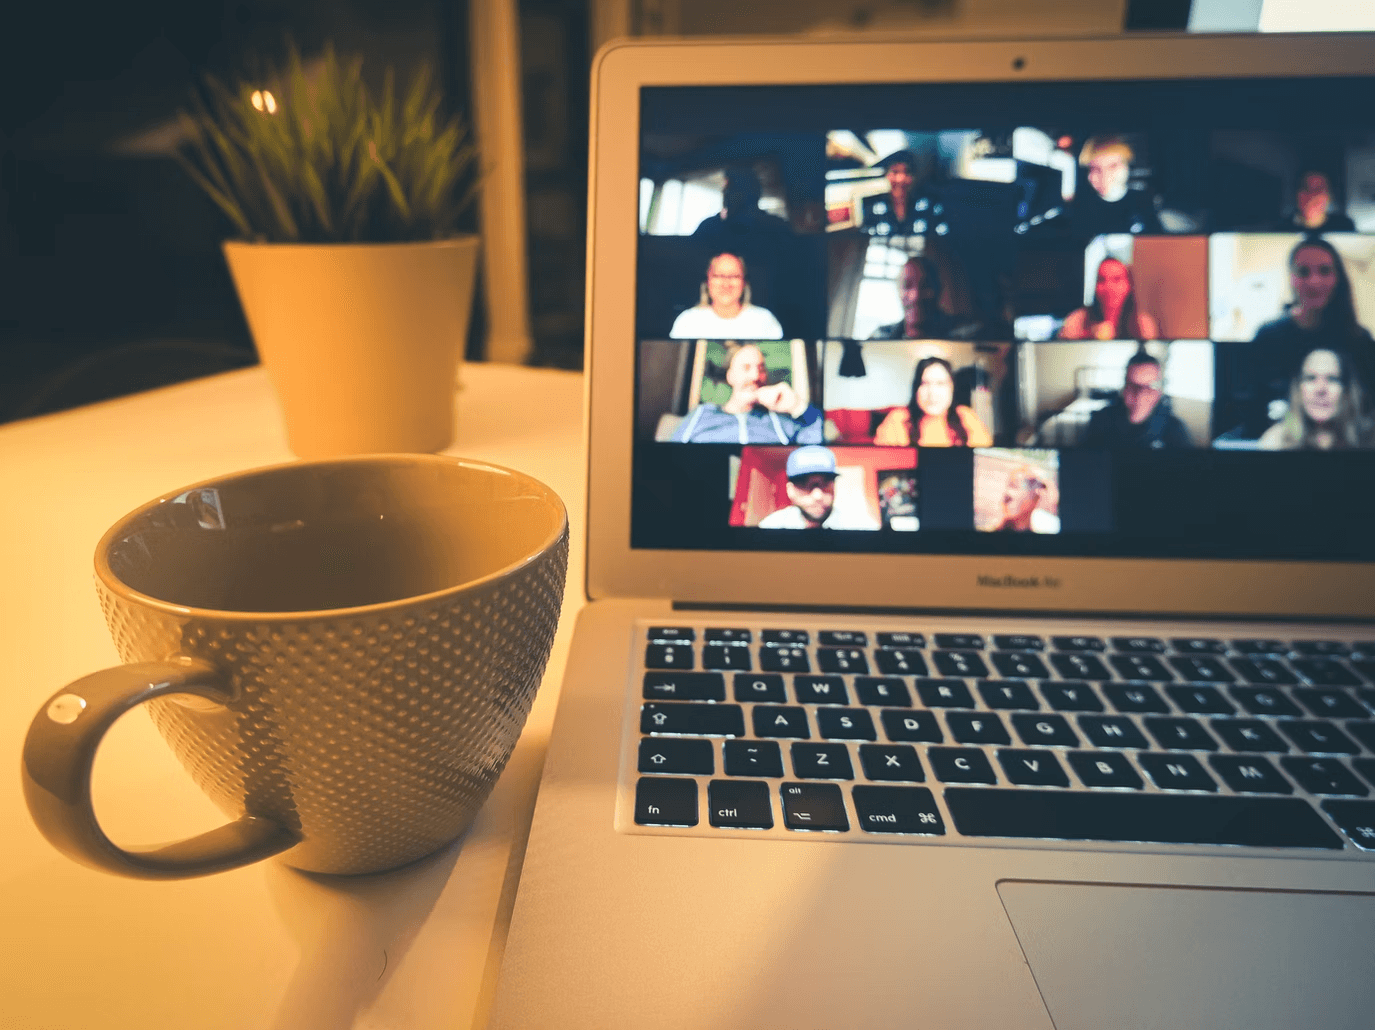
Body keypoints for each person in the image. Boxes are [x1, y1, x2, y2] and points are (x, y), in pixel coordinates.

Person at [1249, 236, 1375, 433]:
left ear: (1337, 277)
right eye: (1303, 271)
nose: (1314, 281)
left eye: (1324, 271)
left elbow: (1368, 410)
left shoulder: (1359, 339)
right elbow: (1257, 410)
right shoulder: (1268, 337)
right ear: (1291, 278)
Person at [671, 342, 822, 444]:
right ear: (730, 376)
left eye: (761, 369)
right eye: (746, 368)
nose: (755, 376)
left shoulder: (779, 422)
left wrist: (797, 406)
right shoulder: (701, 414)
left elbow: (817, 443)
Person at [1259, 348, 1373, 450]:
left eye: (1332, 379)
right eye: (1310, 378)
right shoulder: (1276, 441)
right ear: (1298, 390)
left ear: (1347, 392)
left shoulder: (1369, 441)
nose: (1320, 389)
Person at [873, 356, 993, 447]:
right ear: (916, 389)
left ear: (952, 388)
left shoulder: (966, 416)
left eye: (940, 384)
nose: (932, 392)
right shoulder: (898, 419)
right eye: (925, 383)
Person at [1082, 351, 1193, 448]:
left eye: (1150, 386)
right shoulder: (1100, 421)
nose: (1140, 395)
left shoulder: (1175, 428)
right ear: (1124, 389)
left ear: (1160, 392)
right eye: (1133, 385)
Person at [669, 252, 783, 339]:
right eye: (718, 275)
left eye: (734, 276)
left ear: (744, 283)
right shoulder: (687, 322)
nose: (726, 283)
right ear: (708, 282)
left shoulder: (765, 320)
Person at [757, 446, 876, 529]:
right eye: (804, 484)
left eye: (826, 483)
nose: (818, 496)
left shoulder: (860, 525)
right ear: (790, 490)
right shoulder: (771, 525)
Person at [1071, 136, 1161, 238]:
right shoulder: (1081, 208)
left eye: (1113, 166)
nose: (1104, 176)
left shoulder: (1144, 200)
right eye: (1095, 168)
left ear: (1126, 167)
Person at [1058, 257, 1160, 341]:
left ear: (1129, 285)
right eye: (1102, 280)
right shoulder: (1077, 319)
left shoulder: (1143, 324)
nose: (1109, 287)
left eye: (1117, 279)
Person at [868, 255, 956, 340]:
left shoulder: (964, 334)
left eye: (925, 285)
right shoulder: (880, 336)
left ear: (938, 289)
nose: (915, 296)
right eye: (907, 286)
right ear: (898, 291)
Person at [860, 150, 935, 237]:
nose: (899, 179)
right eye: (893, 172)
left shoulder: (927, 205)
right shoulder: (871, 206)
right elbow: (864, 239)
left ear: (912, 177)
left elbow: (937, 242)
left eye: (905, 172)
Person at [1271, 170, 1356, 233]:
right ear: (1297, 194)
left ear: (1329, 196)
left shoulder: (1344, 226)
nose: (1312, 195)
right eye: (1306, 188)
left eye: (1318, 189)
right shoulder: (1281, 229)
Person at [993, 465, 1060, 534]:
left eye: (1014, 486)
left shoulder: (1048, 527)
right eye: (1009, 485)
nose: (1007, 494)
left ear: (1035, 495)